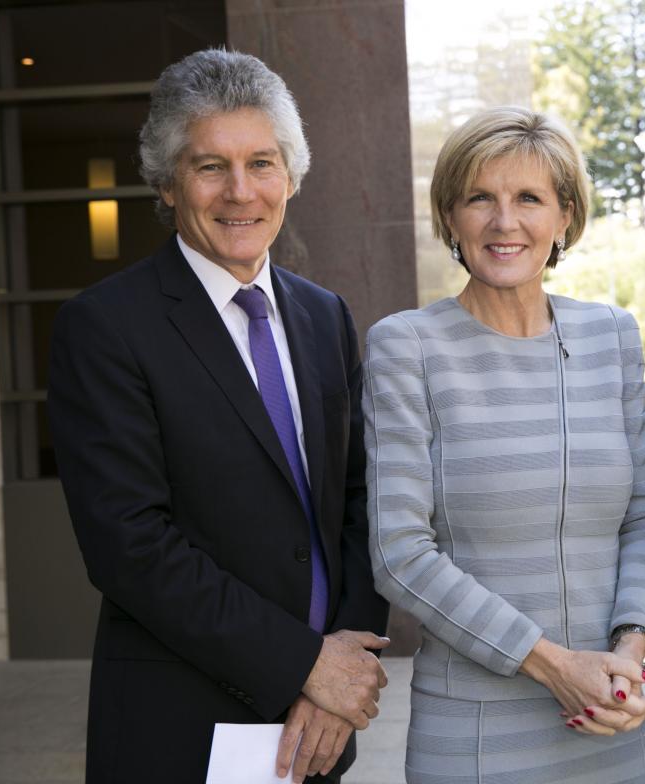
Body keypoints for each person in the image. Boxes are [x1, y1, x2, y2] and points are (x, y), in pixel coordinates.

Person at [48, 49, 389, 784]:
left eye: (262, 163)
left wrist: (346, 665)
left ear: (291, 177)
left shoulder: (323, 315)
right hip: (180, 723)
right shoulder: (105, 327)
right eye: (210, 167)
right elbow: (128, 545)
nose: (241, 192)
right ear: (168, 183)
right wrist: (306, 664)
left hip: (319, 726)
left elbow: (363, 499)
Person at [362, 106, 645, 783]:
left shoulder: (611, 336)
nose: (505, 222)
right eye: (481, 198)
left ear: (564, 215)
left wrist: (628, 649)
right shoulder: (408, 345)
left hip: (605, 719)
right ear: (451, 216)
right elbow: (399, 552)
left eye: (529, 198)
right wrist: (557, 667)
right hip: (474, 733)